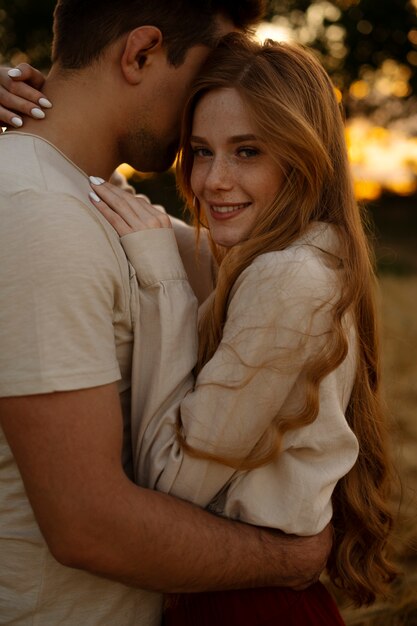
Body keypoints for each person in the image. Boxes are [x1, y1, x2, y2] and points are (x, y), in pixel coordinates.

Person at [0, 2, 335, 625]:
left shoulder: (86, 197)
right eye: (213, 66)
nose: (212, 96)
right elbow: (85, 527)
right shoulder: (37, 212)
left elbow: (255, 270)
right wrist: (287, 560)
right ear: (142, 53)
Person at [86, 34, 398, 625]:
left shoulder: (290, 280)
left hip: (249, 605)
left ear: (303, 158)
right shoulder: (275, 257)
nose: (212, 181)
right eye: (201, 151)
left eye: (247, 152)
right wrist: (43, 125)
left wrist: (165, 290)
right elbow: (143, 219)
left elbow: (169, 486)